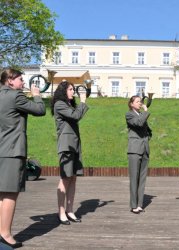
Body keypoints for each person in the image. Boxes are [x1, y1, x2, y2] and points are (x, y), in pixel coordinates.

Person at [0, 68, 46, 248]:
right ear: (10, 80)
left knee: (1, 194)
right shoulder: (15, 96)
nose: (23, 83)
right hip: (13, 151)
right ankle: (5, 234)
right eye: (20, 79)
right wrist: (36, 95)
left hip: (1, 149)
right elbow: (40, 110)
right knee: (11, 193)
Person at [50, 81, 89, 225]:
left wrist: (83, 100)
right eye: (71, 89)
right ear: (63, 91)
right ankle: (61, 212)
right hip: (66, 146)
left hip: (74, 146)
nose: (73, 91)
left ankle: (70, 210)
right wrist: (83, 102)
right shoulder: (60, 104)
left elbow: (75, 113)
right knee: (65, 178)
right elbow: (75, 116)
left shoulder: (67, 105)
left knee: (73, 178)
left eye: (73, 89)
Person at [125, 96, 152, 214]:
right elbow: (140, 123)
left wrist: (147, 139)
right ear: (131, 104)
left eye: (140, 101)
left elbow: (148, 131)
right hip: (135, 150)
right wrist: (146, 112)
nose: (140, 103)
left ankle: (140, 204)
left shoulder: (141, 115)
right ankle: (133, 205)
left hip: (144, 149)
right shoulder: (129, 114)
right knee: (134, 178)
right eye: (137, 101)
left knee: (142, 179)